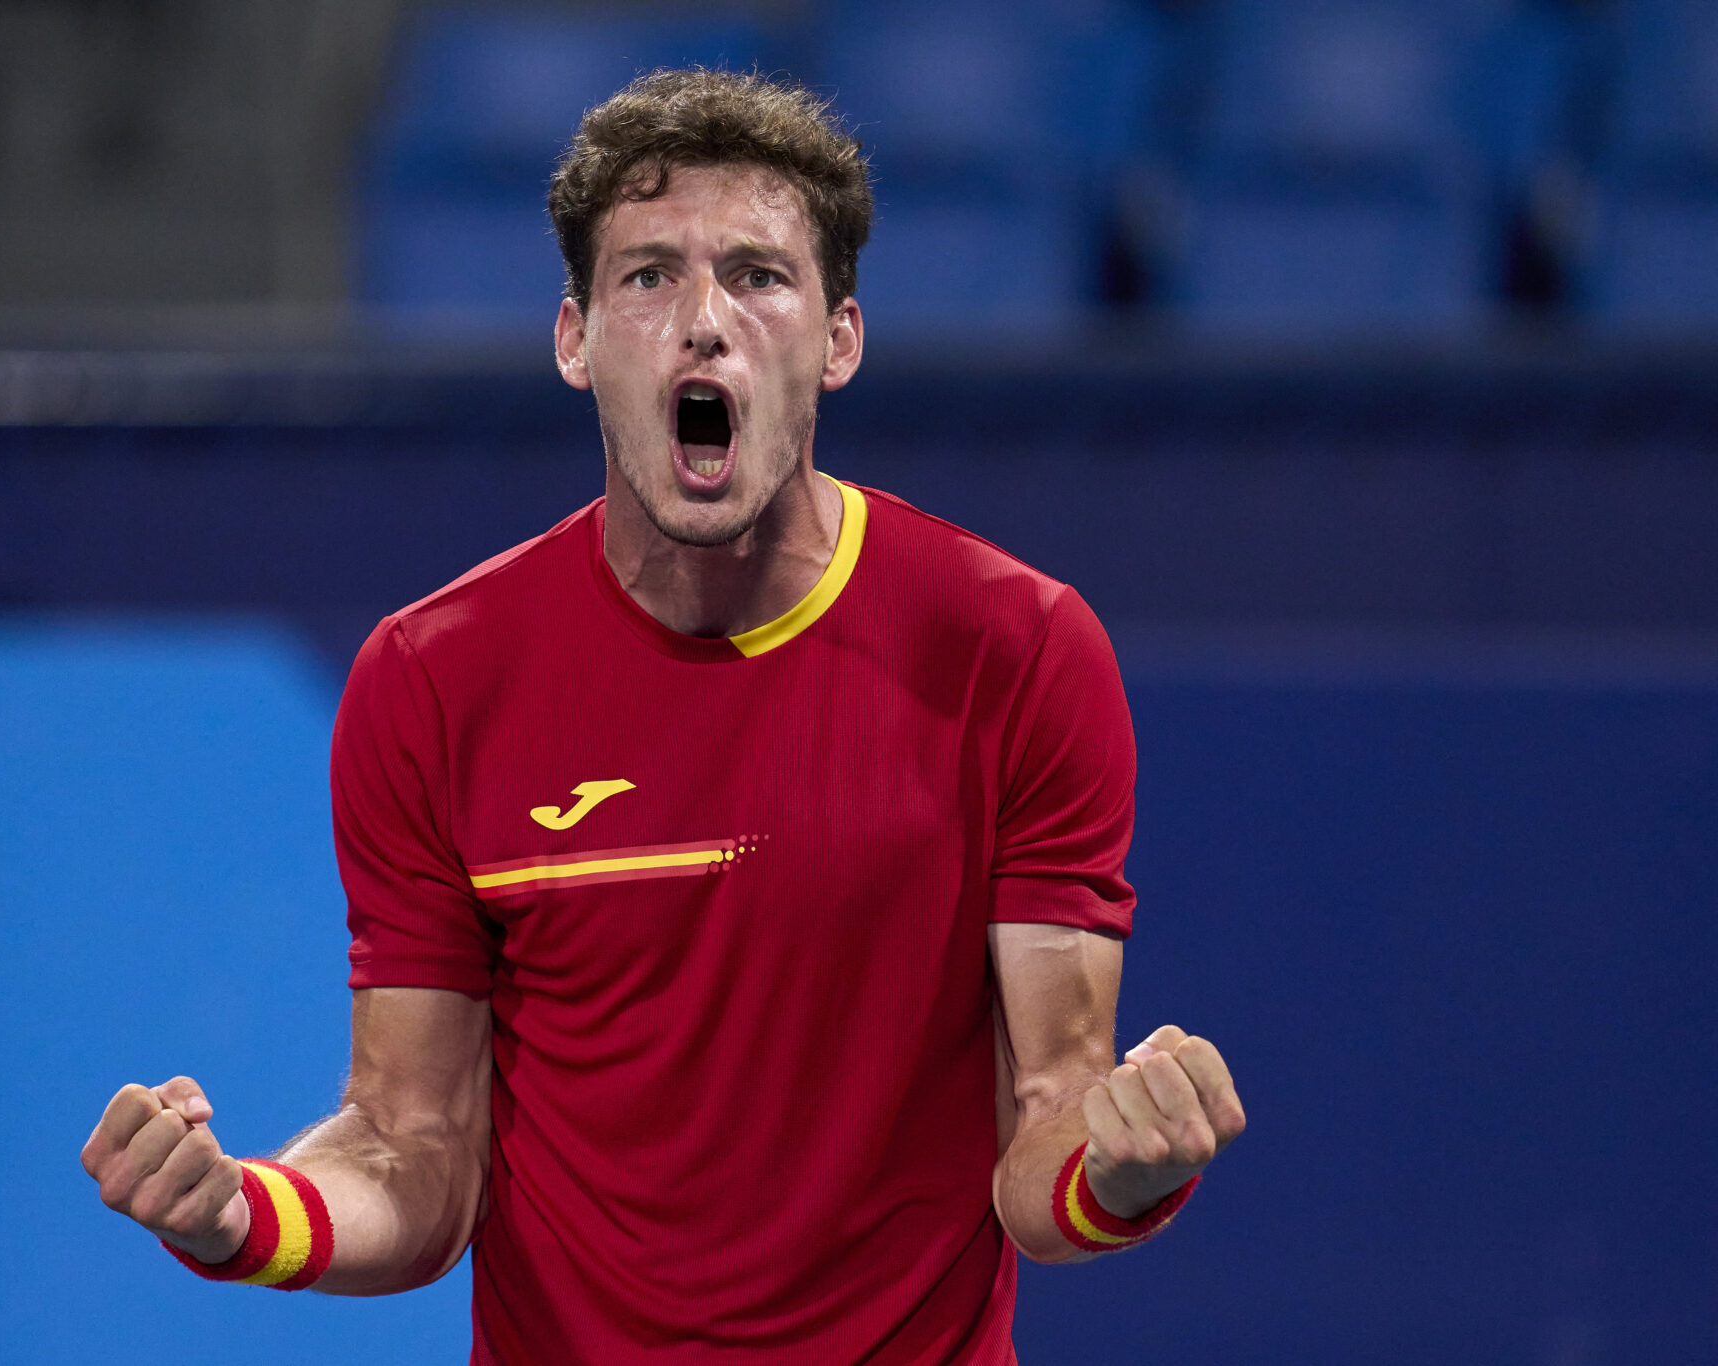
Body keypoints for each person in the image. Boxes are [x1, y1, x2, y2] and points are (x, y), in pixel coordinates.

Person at [81, 69, 1244, 1363]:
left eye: (758, 274)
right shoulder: (431, 678)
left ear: (839, 338)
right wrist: (245, 1213)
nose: (703, 321)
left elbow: (1046, 1127)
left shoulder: (1016, 649)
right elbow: (416, 1153)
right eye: (647, 277)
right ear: (575, 339)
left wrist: (1126, 1165)